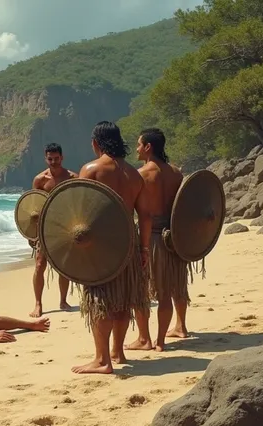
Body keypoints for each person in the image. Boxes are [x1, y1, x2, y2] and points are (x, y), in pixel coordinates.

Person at [72, 121, 152, 374]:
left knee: (100, 299)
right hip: (128, 241)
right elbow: (146, 216)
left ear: (96, 143)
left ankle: (102, 360)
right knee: (123, 298)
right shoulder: (135, 175)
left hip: (100, 243)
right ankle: (118, 351)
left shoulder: (91, 169)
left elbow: (78, 212)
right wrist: (144, 249)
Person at [125, 128, 189, 352]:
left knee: (141, 290)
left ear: (148, 147)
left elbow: (137, 211)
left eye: (138, 144)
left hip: (151, 238)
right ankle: (162, 340)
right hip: (175, 239)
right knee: (171, 289)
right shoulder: (176, 173)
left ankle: (145, 339)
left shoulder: (142, 174)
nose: (136, 148)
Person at [29, 143, 78, 317]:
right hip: (44, 227)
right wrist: (31, 233)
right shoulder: (40, 180)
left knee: (63, 266)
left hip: (65, 227)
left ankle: (63, 300)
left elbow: (78, 204)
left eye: (56, 158)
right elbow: (32, 207)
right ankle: (38, 303)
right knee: (40, 265)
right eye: (50, 159)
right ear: (46, 159)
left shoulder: (72, 177)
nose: (54, 162)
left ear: (62, 157)